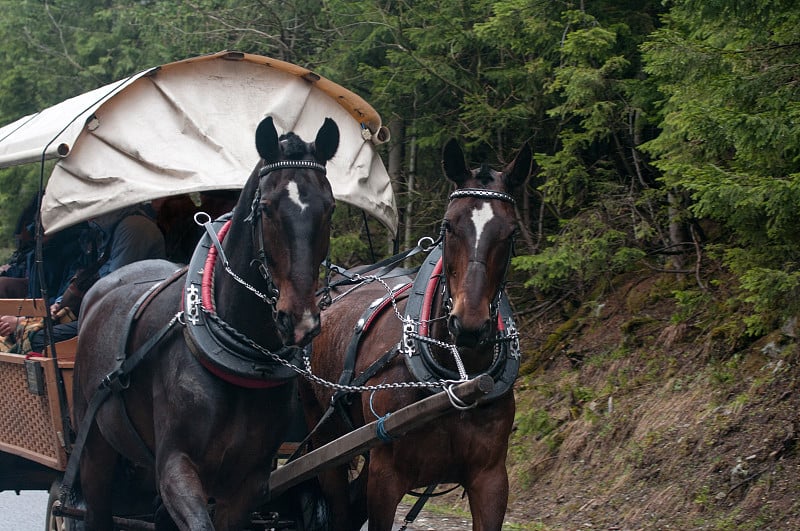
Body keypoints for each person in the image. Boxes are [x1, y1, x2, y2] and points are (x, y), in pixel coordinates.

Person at [0, 204, 166, 353]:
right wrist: (59, 305)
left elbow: (113, 290)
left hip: (125, 317)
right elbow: (81, 275)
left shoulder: (133, 227)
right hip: (99, 311)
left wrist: (35, 319)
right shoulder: (99, 232)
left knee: (39, 340)